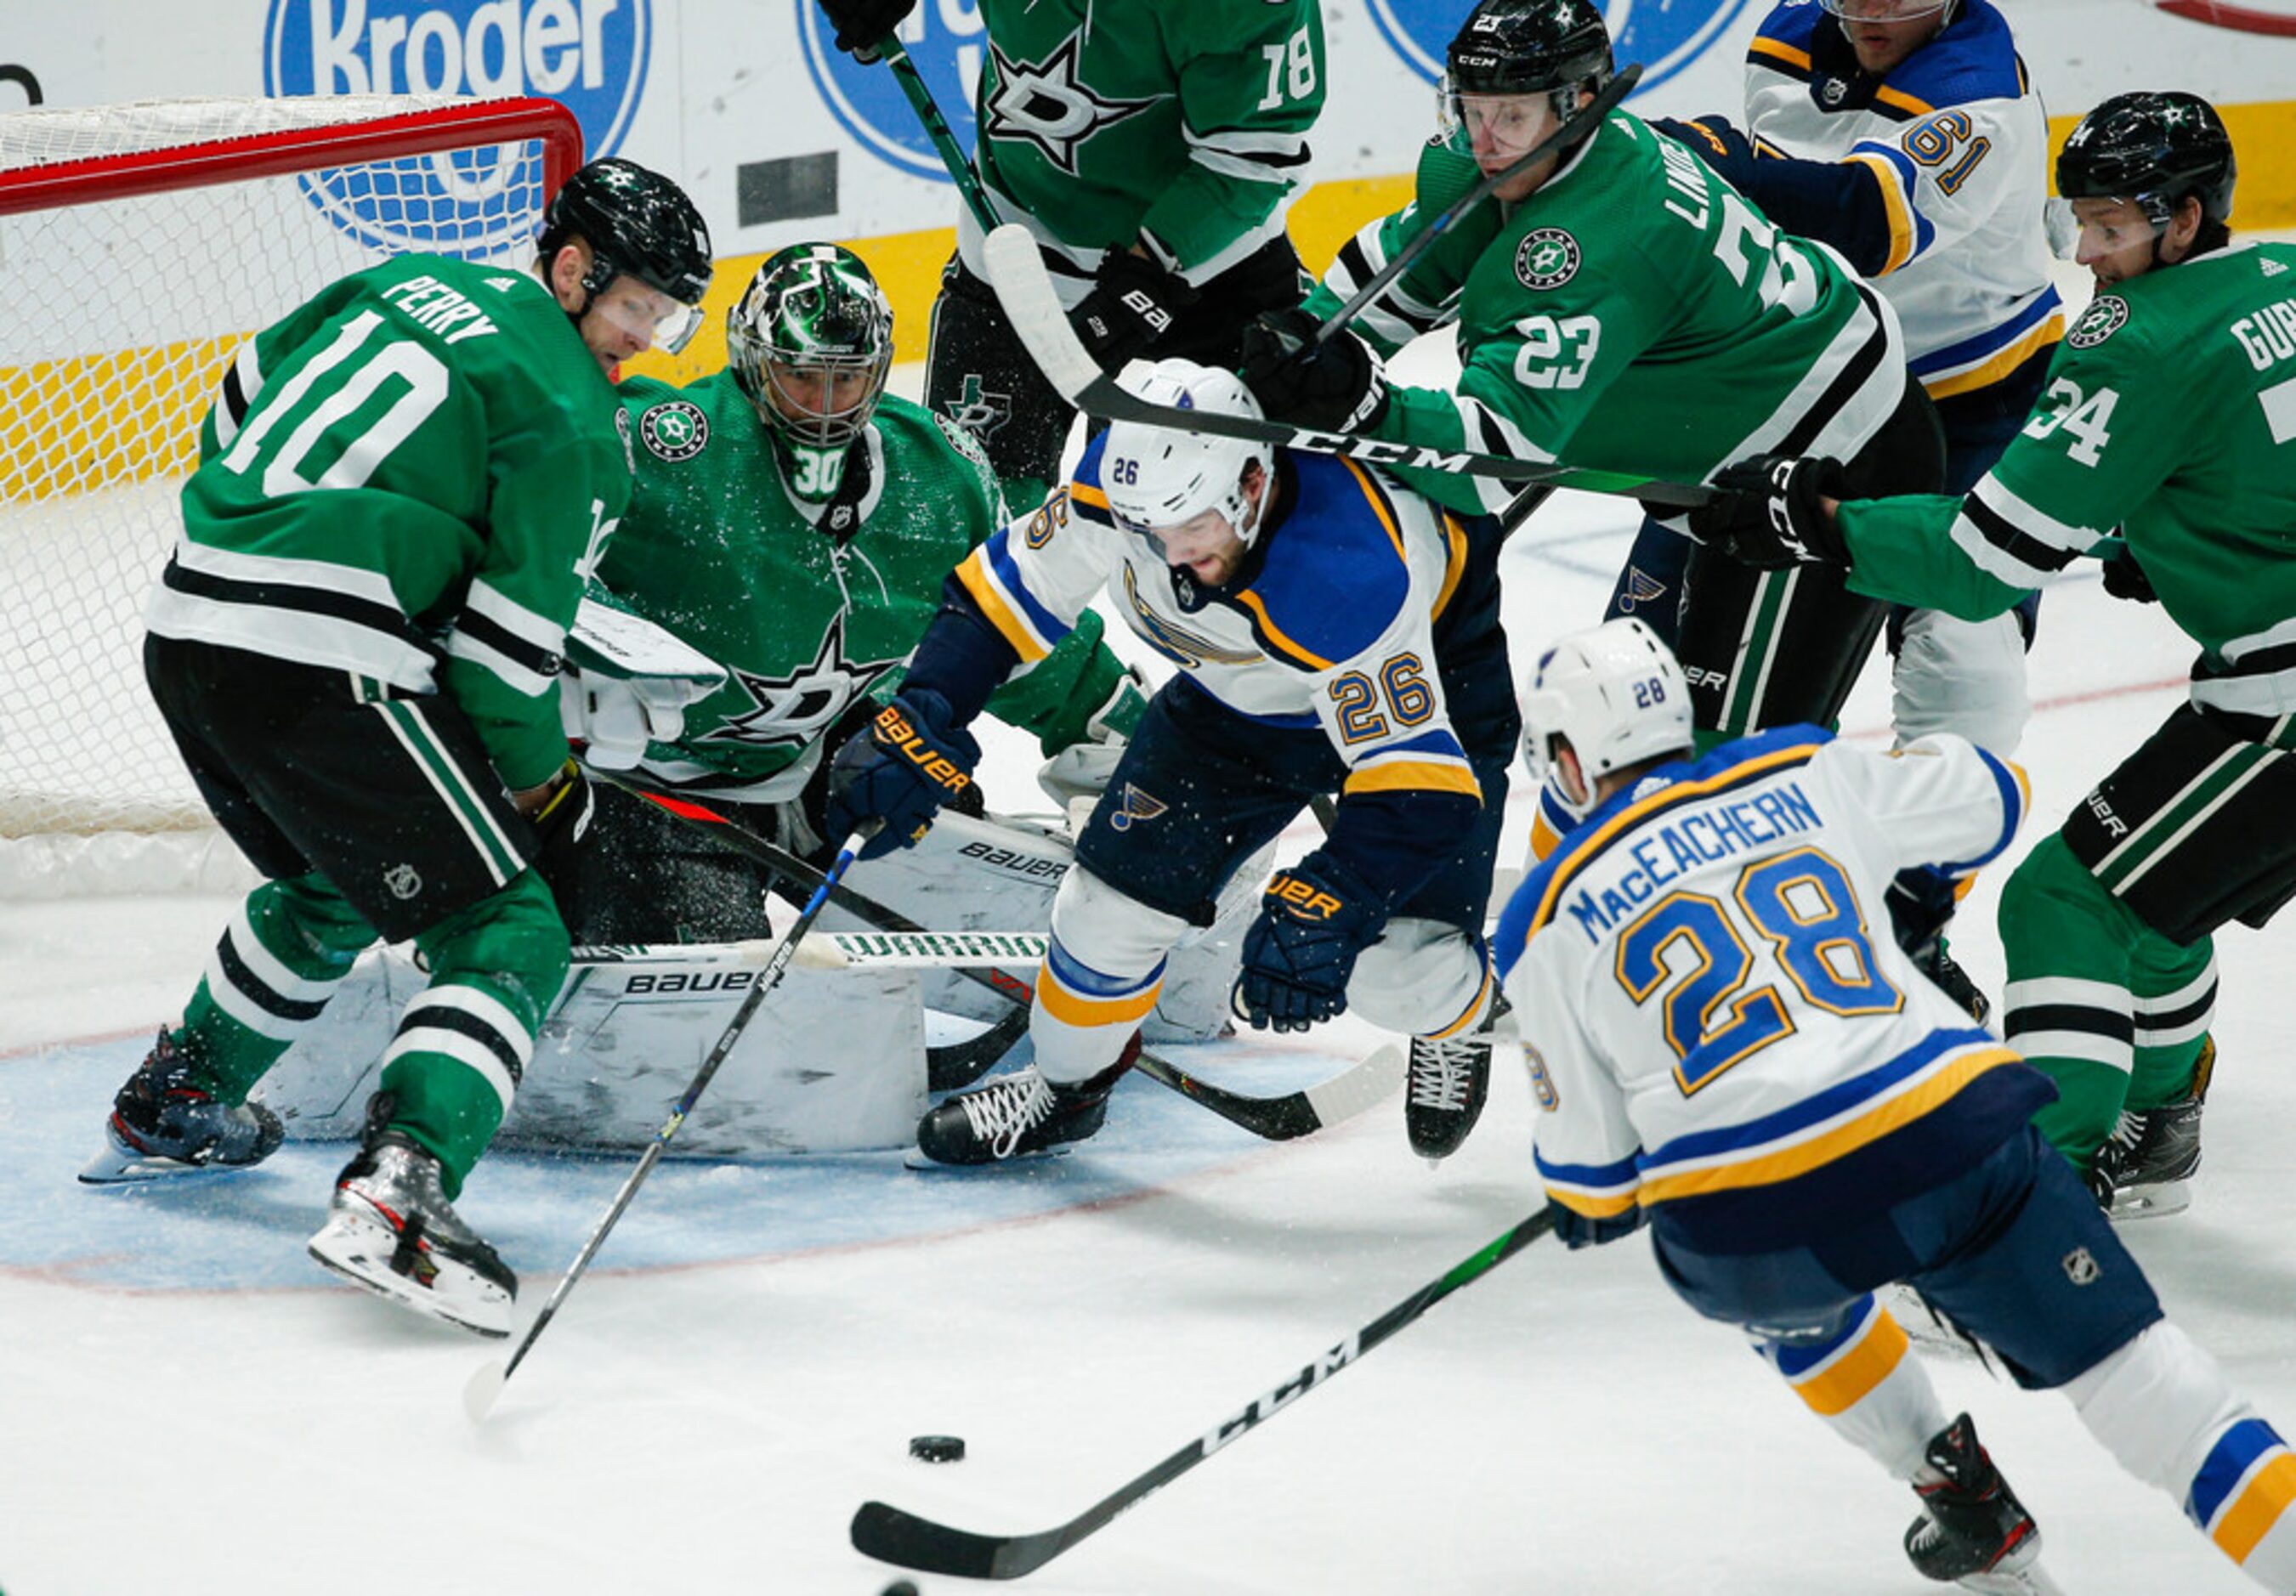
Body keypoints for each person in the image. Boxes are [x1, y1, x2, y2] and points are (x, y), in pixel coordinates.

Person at [1494, 618, 2296, 1594]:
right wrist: (1909, 897)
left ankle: (1950, 1486)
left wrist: (1591, 1206)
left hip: (1752, 1228)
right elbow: (1992, 800)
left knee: (1793, 1305)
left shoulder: (1539, 919)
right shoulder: (1798, 772)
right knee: (2148, 1389)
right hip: (1944, 1133)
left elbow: (1593, 1176)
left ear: (1569, 760)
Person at [77, 158, 715, 1338]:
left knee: (334, 876)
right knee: (509, 923)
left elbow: (239, 394)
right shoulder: (580, 424)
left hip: (189, 622)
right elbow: (500, 666)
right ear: (571, 271)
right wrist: (547, 788)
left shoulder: (407, 277)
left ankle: (178, 1097)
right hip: (324, 653)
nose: (651, 343)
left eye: (670, 318)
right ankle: (402, 1189)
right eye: (637, 309)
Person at [1687, 91, 2291, 1220]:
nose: (2093, 256)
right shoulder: (2282, 281)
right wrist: (2154, 534)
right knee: (2153, 901)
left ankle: (2030, 1205)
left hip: (2280, 697)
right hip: (2270, 678)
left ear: (2190, 217)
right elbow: (2244, 461)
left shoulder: (2138, 337)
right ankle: (2159, 1118)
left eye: (2118, 226)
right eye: (2084, 223)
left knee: (2065, 903)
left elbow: (1982, 560)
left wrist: (1815, 519)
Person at [823, 358, 1519, 1163]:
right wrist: (925, 709)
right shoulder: (1125, 483)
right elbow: (1006, 591)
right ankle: (1064, 1090)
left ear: (1251, 484)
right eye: (1148, 535)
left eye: (1193, 530)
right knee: (1105, 913)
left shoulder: (1347, 571)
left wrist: (1335, 896)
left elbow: (1416, 785)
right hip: (1232, 706)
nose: (1171, 558)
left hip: (1432, 695)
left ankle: (1456, 1015)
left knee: (1394, 971)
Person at [1239, 0, 1944, 778]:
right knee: (1619, 729)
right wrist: (1313, 334)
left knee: (1731, 770)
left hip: (1826, 461)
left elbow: (1497, 454)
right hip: (1712, 459)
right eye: (1469, 110)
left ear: (1578, 101)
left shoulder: (1594, 244)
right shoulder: (1544, 156)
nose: (1483, 140)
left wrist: (1364, 407)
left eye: (1509, 114)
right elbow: (1417, 255)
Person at [558, 241, 1145, 946]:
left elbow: (1005, 621)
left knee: (966, 895)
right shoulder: (668, 449)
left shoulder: (939, 479)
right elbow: (529, 534)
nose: (826, 404)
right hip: (652, 787)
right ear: (751, 362)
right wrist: (598, 656)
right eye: (801, 375)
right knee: (699, 989)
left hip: (830, 759)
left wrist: (1124, 729)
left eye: (851, 377)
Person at [814, 0, 1324, 511]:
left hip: (1206, 288)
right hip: (1011, 259)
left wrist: (1152, 274)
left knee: (1228, 537)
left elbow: (1253, 158)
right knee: (962, 525)